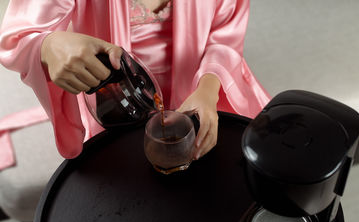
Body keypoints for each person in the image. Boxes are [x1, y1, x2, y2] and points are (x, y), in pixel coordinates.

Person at [0, 0, 270, 162]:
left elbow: (224, 36)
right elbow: (18, 38)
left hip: (205, 87)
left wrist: (208, 90)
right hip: (114, 97)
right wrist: (48, 45)